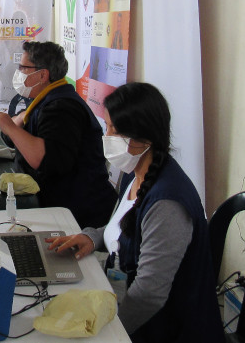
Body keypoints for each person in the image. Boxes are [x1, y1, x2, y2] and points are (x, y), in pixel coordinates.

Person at [46, 82, 224, 343]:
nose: (106, 137)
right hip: (128, 299)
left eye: (114, 131)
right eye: (106, 127)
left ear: (145, 138)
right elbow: (125, 226)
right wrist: (92, 237)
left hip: (166, 329)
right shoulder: (136, 173)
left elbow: (149, 294)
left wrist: (111, 333)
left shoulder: (168, 204)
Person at [0, 41, 117, 228]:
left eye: (24, 67)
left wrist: (11, 127)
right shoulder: (47, 99)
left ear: (42, 74)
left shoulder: (61, 108)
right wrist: (14, 125)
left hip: (78, 215)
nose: (19, 72)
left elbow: (46, 160)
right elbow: (13, 137)